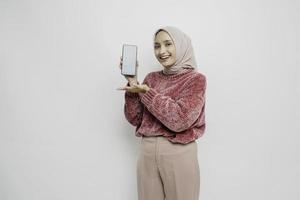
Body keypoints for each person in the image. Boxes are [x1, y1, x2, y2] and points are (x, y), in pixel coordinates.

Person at [117, 26, 206, 200]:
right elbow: (135, 119)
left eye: (167, 44)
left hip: (179, 152)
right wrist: (133, 87)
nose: (162, 51)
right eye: (157, 46)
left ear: (181, 46)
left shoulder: (196, 80)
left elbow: (180, 120)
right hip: (147, 152)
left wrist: (147, 92)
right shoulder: (150, 79)